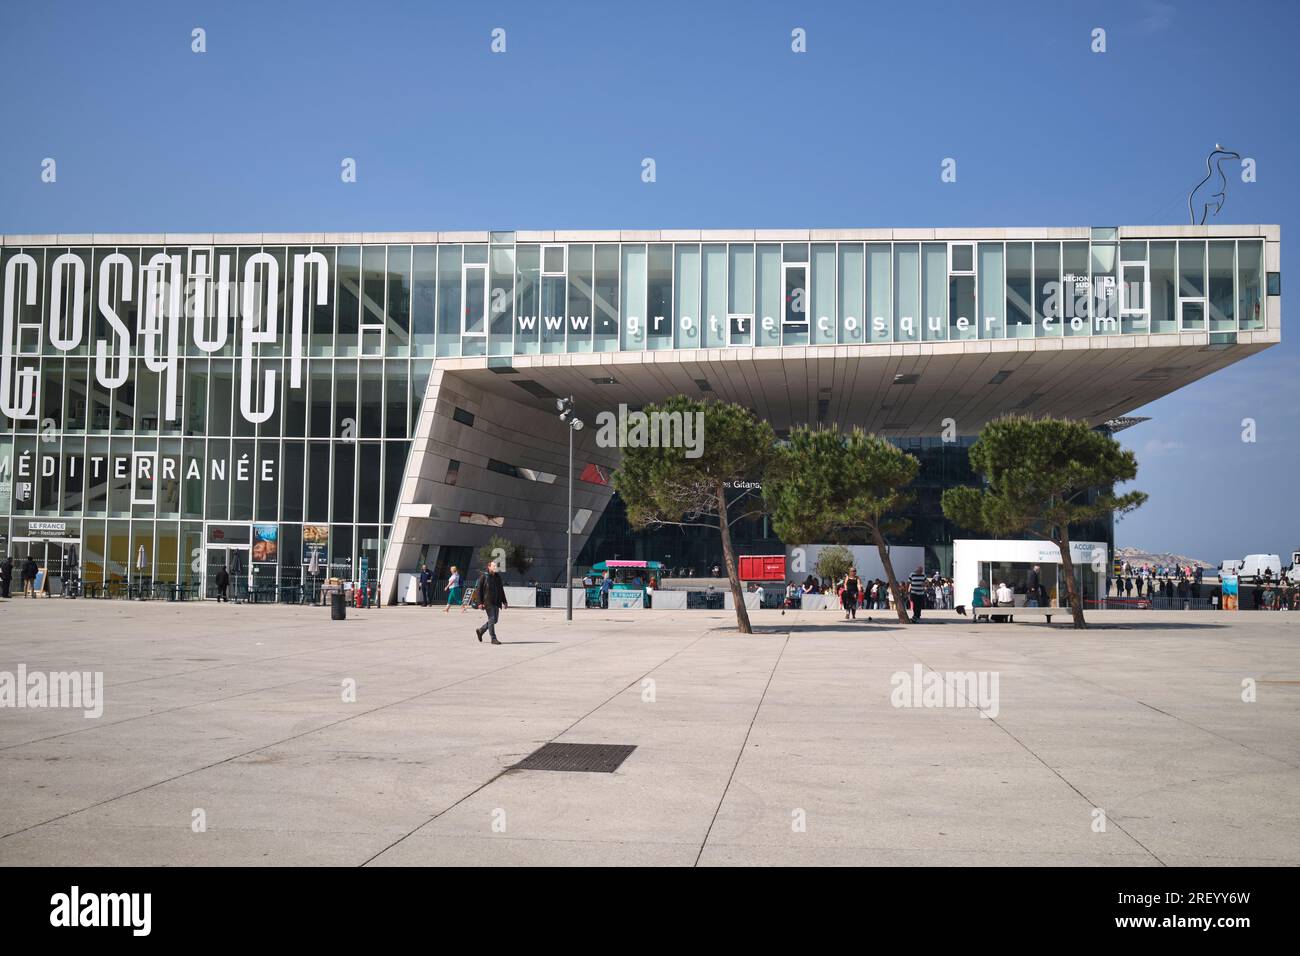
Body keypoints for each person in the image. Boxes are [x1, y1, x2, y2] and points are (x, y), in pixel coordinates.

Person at [473, 560, 508, 644]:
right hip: (487, 601)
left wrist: (504, 601)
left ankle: (481, 630)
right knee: (492, 618)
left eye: (496, 566)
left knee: (495, 620)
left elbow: (500, 589)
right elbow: (478, 591)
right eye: (494, 566)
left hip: (496, 601)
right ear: (489, 567)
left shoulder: (497, 577)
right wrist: (480, 603)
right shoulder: (483, 577)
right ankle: (493, 638)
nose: (495, 568)